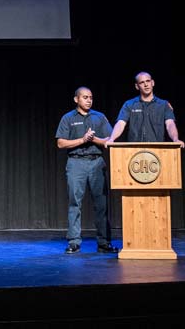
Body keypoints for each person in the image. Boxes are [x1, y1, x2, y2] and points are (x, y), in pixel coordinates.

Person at [56, 87, 117, 254]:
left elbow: (110, 140)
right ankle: (74, 242)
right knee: (74, 203)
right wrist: (82, 140)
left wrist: (93, 139)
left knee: (101, 204)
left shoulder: (99, 117)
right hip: (76, 163)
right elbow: (61, 143)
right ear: (76, 99)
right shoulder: (68, 118)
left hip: (96, 162)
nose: (89, 100)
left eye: (90, 97)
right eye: (85, 97)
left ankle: (104, 242)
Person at [106, 71, 185, 147]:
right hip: (135, 150)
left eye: (148, 81)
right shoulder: (129, 104)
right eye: (142, 82)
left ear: (152, 83)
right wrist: (112, 139)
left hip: (158, 149)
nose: (146, 84)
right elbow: (120, 124)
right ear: (137, 86)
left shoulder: (164, 105)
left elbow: (170, 124)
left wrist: (175, 139)